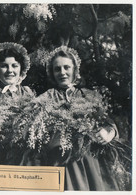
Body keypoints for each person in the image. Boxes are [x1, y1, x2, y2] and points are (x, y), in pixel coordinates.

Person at [40, 45, 119, 190]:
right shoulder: (45, 98)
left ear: (75, 70)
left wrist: (108, 133)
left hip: (91, 160)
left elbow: (108, 122)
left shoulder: (89, 95)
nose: (62, 72)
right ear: (52, 73)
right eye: (57, 69)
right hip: (62, 161)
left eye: (66, 67)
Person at [0, 42, 34, 164]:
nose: (10, 70)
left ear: (21, 68)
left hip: (24, 157)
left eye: (14, 66)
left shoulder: (28, 92)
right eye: (4, 66)